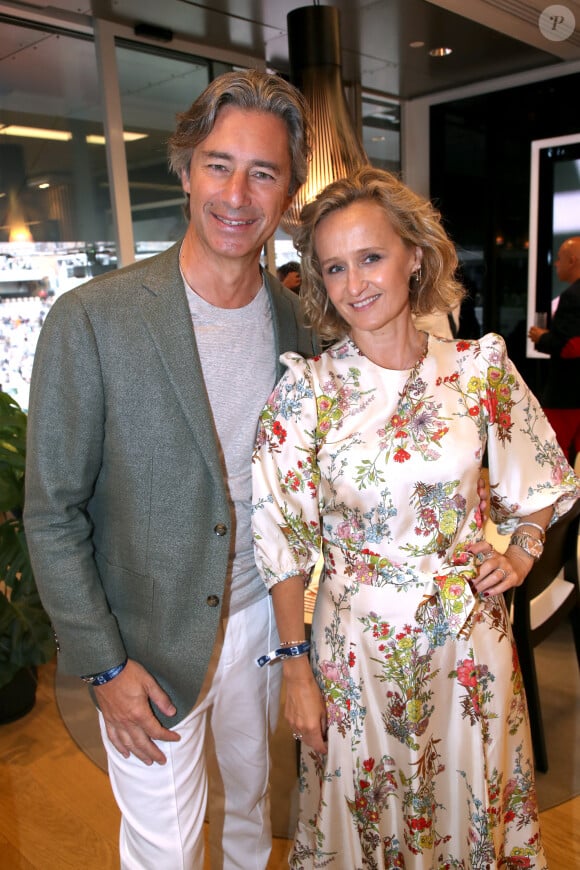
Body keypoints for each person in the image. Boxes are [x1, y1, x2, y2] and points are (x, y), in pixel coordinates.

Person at [23, 69, 320, 870]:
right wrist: (105, 662)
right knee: (166, 849)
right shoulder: (93, 318)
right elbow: (52, 512)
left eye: (264, 172)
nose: (237, 193)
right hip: (148, 646)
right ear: (185, 169)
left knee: (254, 814)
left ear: (289, 191)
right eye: (219, 164)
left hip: (264, 624)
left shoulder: (301, 324)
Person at [251, 167, 580, 868]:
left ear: (415, 257)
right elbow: (280, 543)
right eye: (334, 267)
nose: (355, 283)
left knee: (470, 807)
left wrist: (522, 549)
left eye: (370, 257)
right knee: (363, 820)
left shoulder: (480, 368)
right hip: (354, 649)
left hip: (469, 648)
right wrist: (295, 671)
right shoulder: (305, 392)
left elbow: (544, 477)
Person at [528, 235, 580, 465]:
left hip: (566, 393)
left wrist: (542, 337)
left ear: (573, 260)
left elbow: (569, 346)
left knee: (557, 453)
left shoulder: (572, 297)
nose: (556, 264)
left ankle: (563, 499)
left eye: (560, 259)